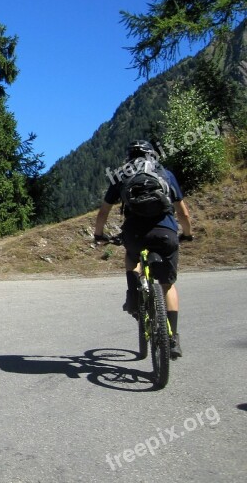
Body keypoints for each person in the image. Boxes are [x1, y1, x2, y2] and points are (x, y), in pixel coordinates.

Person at [93, 140, 193, 359]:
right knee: (167, 286)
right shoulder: (165, 174)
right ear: (152, 156)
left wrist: (98, 235)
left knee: (132, 256)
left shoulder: (121, 175)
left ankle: (133, 296)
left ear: (129, 158)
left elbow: (103, 212)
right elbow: (183, 214)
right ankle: (173, 337)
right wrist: (187, 234)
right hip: (165, 232)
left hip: (135, 233)